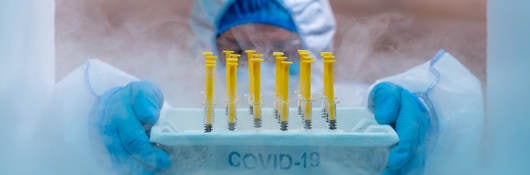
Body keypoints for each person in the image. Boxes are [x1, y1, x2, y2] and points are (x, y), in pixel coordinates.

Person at [0, 0, 483, 175]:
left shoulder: (364, 110)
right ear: (205, 52)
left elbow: (472, 125)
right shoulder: (169, 116)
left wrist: (433, 116)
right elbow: (43, 134)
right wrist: (92, 119)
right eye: (238, 52)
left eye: (283, 52)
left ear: (314, 50)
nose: (263, 67)